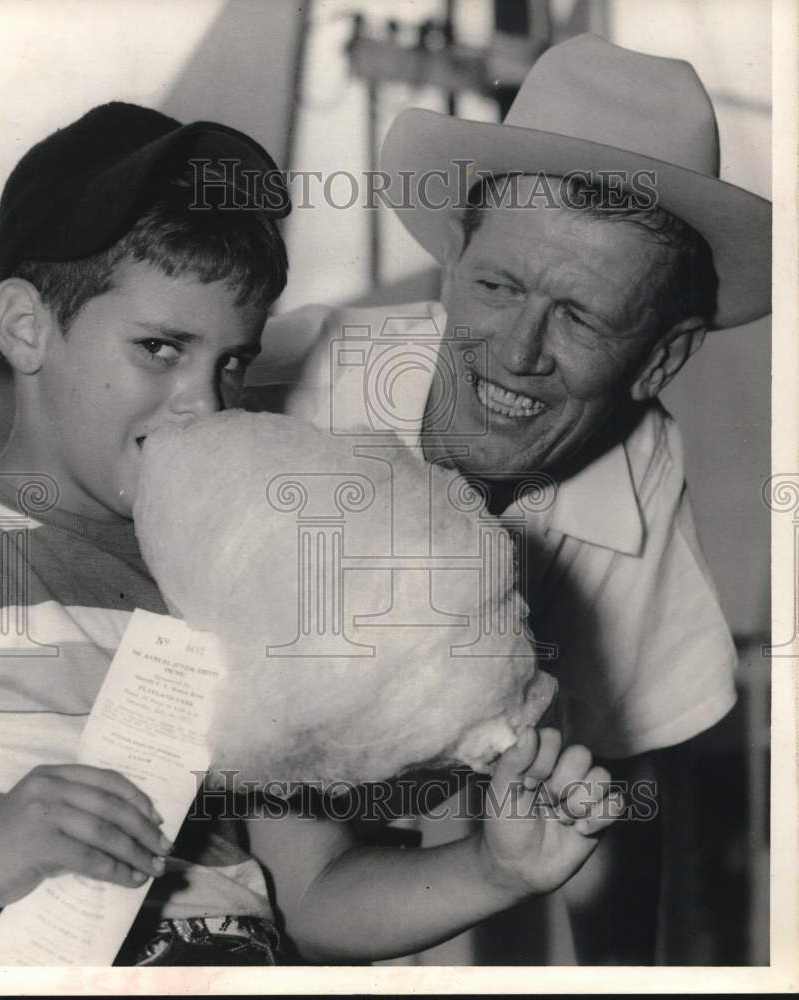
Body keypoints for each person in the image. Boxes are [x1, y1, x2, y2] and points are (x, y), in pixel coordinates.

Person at [0, 101, 622, 967]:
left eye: (232, 361)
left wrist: (496, 869)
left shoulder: (237, 586)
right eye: (159, 347)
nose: (204, 402)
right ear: (28, 326)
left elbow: (315, 890)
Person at [245, 34, 772, 962]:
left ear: (662, 357)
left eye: (579, 315)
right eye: (497, 286)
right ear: (453, 264)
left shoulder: (638, 466)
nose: (518, 352)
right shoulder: (289, 382)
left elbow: (614, 802)